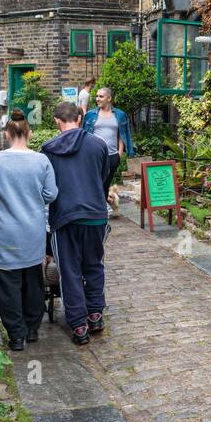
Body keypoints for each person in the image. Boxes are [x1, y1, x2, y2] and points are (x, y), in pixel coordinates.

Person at [0, 110, 58, 351]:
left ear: (7, 134)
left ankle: (16, 335)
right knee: (32, 281)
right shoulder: (42, 160)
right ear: (29, 133)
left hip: (4, 233)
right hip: (32, 231)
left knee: (6, 285)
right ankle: (32, 329)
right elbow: (52, 194)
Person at [40, 101, 110, 345]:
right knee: (94, 265)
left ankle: (79, 325)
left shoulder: (47, 149)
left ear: (58, 121)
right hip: (95, 214)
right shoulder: (99, 145)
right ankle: (96, 314)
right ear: (79, 119)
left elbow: (46, 189)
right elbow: (102, 179)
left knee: (69, 271)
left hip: (64, 217)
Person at [82, 86, 134, 217]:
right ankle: (96, 209)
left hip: (112, 156)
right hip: (94, 156)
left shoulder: (120, 115)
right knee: (94, 183)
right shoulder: (90, 115)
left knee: (105, 184)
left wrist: (119, 153)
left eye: (101, 96)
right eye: (97, 96)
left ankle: (100, 212)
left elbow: (121, 135)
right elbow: (84, 135)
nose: (97, 99)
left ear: (109, 98)